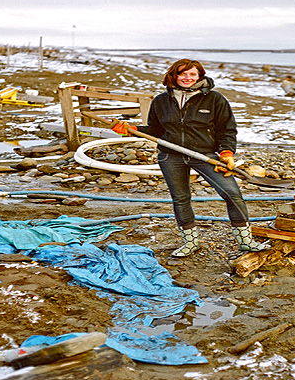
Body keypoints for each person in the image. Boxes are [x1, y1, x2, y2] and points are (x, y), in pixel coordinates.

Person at [116, 59, 271, 257]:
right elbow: (155, 129)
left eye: (192, 74)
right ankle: (190, 242)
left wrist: (227, 152)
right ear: (174, 75)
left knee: (232, 194)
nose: (188, 78)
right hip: (171, 155)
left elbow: (227, 129)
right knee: (180, 199)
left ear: (200, 76)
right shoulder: (161, 101)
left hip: (204, 155)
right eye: (183, 74)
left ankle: (246, 242)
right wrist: (132, 130)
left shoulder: (215, 99)